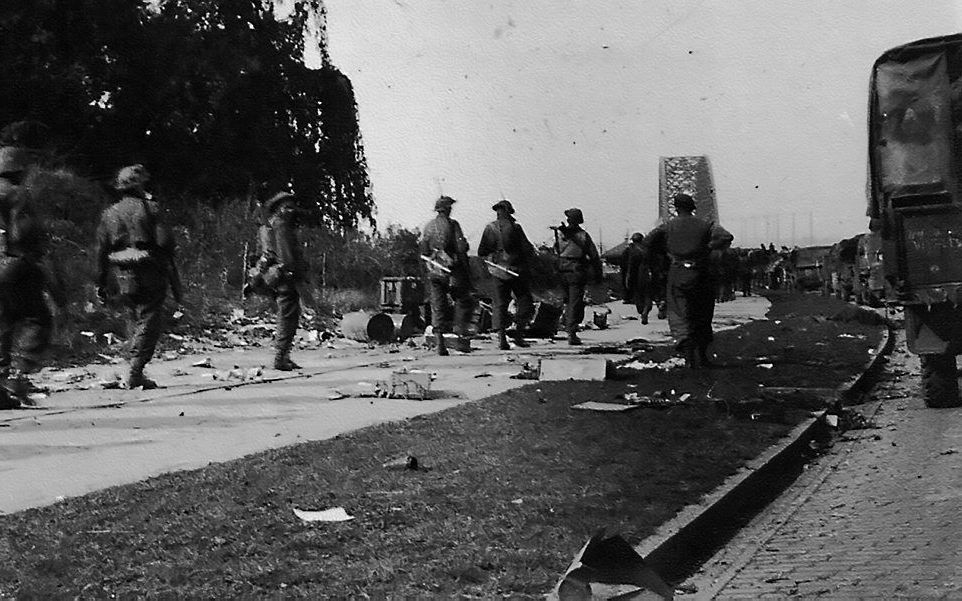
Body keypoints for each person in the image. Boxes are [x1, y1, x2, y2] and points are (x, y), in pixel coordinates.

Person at [96, 164, 182, 389]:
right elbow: (166, 243)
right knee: (149, 319)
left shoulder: (109, 214)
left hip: (121, 274)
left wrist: (101, 281)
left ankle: (134, 368)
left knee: (133, 319)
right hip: (149, 271)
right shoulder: (152, 209)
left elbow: (100, 252)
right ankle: (135, 370)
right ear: (140, 185)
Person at [0, 146, 64, 407]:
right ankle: (17, 377)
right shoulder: (17, 195)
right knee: (36, 317)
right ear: (19, 169)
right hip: (13, 264)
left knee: (2, 321)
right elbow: (23, 235)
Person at [644, 193, 733, 368]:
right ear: (693, 207)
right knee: (703, 312)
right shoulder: (707, 225)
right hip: (701, 272)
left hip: (678, 273)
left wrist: (666, 252)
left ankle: (687, 355)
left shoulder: (667, 227)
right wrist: (708, 247)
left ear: (676, 208)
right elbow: (726, 237)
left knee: (679, 313)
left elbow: (648, 242)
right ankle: (703, 355)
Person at [257, 191, 307, 371]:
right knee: (288, 318)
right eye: (287, 207)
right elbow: (286, 257)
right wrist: (294, 274)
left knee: (287, 316)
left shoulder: (270, 225)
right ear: (279, 209)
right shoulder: (282, 226)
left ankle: (284, 355)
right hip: (286, 278)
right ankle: (281, 357)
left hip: (276, 277)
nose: (291, 210)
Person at [419, 195, 475, 355]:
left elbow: (423, 249)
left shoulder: (428, 226)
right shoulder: (453, 224)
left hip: (434, 271)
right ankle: (459, 333)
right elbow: (461, 247)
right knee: (463, 300)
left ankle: (440, 344)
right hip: (452, 271)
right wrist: (466, 268)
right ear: (447, 209)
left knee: (438, 306)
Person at [478, 199, 535, 350]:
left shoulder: (489, 228)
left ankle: (502, 338)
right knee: (525, 302)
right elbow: (527, 249)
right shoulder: (516, 228)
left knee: (499, 304)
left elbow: (482, 251)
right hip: (516, 270)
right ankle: (519, 334)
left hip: (497, 270)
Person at [553, 207, 602, 345]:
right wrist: (598, 275)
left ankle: (567, 326)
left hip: (561, 270)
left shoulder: (560, 234)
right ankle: (572, 332)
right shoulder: (583, 236)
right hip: (576, 271)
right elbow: (594, 256)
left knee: (567, 301)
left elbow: (555, 250)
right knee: (575, 302)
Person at [622, 232, 653, 324]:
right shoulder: (648, 249)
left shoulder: (631, 250)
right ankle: (646, 311)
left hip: (636, 276)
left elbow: (628, 266)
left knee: (638, 296)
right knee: (648, 295)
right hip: (648, 274)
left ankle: (642, 311)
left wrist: (628, 278)